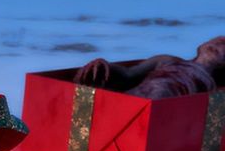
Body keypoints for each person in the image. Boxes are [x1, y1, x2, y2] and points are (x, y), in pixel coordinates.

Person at [74, 34, 225, 99]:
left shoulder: (214, 88)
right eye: (218, 39)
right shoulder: (168, 61)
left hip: (163, 115)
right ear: (201, 45)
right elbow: (128, 75)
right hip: (133, 101)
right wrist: (107, 66)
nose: (219, 43)